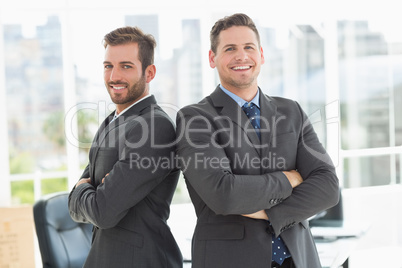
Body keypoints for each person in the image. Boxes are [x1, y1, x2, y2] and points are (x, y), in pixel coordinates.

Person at [176, 13, 339, 268]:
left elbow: (328, 187)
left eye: (248, 48)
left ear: (261, 55)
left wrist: (272, 214)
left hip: (297, 259)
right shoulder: (194, 118)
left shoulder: (291, 111)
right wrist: (289, 178)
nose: (241, 56)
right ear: (212, 58)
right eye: (230, 49)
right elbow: (224, 194)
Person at [68, 26, 182, 268]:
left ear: (149, 72)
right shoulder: (112, 121)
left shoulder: (154, 127)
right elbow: (75, 205)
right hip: (105, 257)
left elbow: (102, 212)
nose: (114, 76)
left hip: (141, 260)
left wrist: (83, 190)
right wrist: (91, 192)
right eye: (108, 66)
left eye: (126, 66)